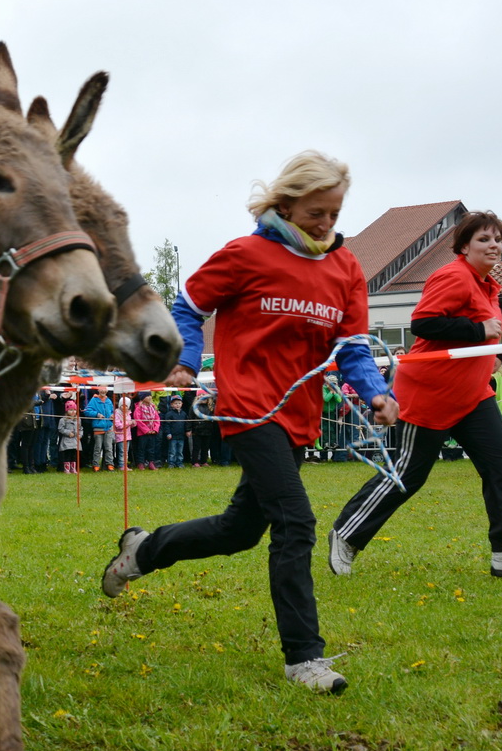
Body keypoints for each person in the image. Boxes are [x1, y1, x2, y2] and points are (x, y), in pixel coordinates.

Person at [99, 150, 397, 694]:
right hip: (250, 406)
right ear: (285, 204)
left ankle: (143, 550)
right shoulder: (246, 254)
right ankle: (304, 657)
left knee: (241, 529)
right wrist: (187, 360)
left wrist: (376, 392)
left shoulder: (346, 269)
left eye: (334, 213)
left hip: (300, 412)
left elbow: (352, 346)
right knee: (295, 522)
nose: (326, 224)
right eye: (315, 213)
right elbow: (188, 304)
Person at [327, 211, 502, 579]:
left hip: (473, 396)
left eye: (497, 238)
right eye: (483, 239)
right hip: (430, 394)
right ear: (464, 246)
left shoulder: (487, 285)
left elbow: (481, 335)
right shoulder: (453, 275)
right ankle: (347, 534)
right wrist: (478, 331)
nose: (494, 244)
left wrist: (493, 356)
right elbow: (423, 323)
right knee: (407, 475)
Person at [84, 387, 115, 470]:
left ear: (107, 391)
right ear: (98, 390)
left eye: (105, 389)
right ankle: (96, 464)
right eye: (101, 389)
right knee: (98, 447)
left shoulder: (109, 401)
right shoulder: (94, 400)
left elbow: (112, 411)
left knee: (109, 447)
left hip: (108, 427)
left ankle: (110, 464)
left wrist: (112, 415)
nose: (103, 391)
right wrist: (97, 414)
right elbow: (87, 411)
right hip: (98, 427)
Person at [132, 391, 161, 469]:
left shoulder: (153, 407)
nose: (150, 397)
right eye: (147, 396)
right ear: (142, 398)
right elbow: (138, 420)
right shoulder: (138, 408)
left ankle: (151, 462)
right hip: (142, 433)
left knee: (151, 448)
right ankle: (140, 463)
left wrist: (155, 429)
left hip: (152, 432)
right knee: (141, 448)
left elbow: (157, 419)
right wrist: (146, 430)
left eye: (150, 396)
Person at [57, 399, 82, 473]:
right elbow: (60, 429)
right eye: (70, 410)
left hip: (75, 440)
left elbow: (80, 428)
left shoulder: (78, 419)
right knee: (67, 454)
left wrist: (80, 435)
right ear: (67, 411)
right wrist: (68, 433)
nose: (73, 412)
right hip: (67, 441)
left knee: (74, 455)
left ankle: (73, 468)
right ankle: (66, 468)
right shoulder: (63, 420)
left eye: (74, 410)